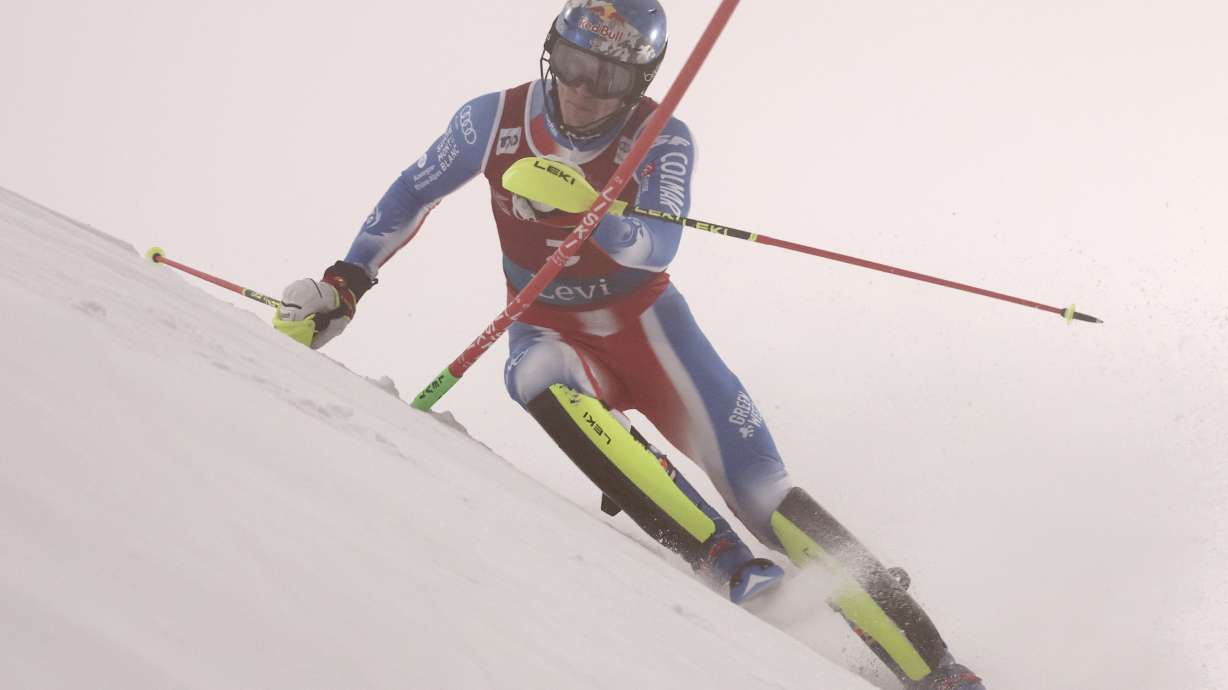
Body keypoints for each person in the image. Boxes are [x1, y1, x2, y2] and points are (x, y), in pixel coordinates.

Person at [273, 2, 986, 688]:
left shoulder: (661, 135)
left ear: (639, 80)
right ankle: (731, 567)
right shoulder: (493, 118)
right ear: (553, 51)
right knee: (532, 375)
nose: (584, 91)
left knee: (766, 493)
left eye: (608, 78)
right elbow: (411, 192)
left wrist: (595, 212)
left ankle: (936, 669)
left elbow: (659, 239)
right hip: (550, 326)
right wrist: (347, 284)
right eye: (576, 66)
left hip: (650, 330)